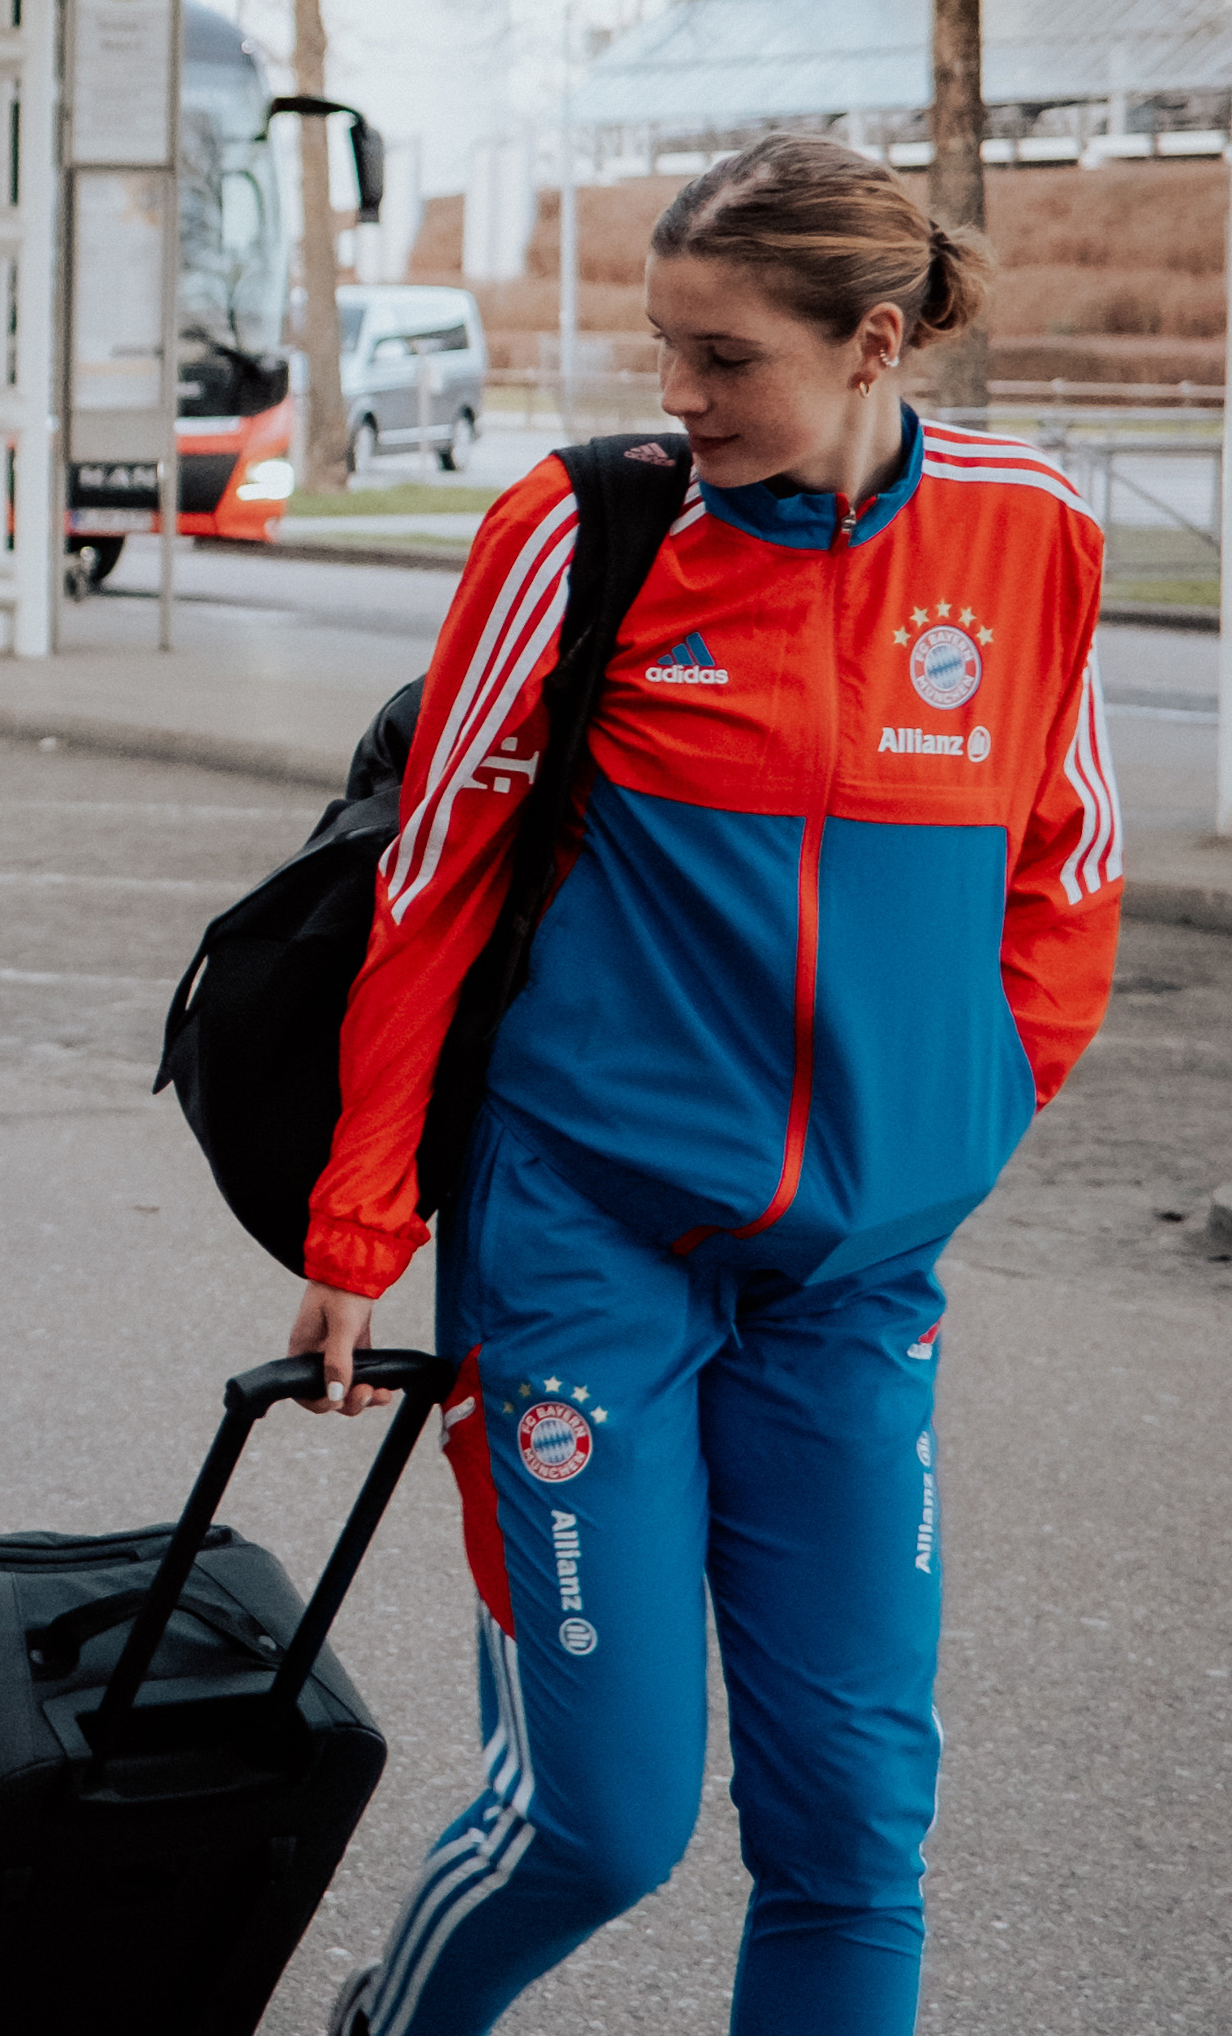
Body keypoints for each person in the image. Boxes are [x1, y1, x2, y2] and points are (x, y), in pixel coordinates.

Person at [299, 134, 1117, 2036]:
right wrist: (359, 1217)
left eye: (721, 358)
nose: (675, 395)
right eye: (662, 349)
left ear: (872, 343)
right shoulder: (580, 533)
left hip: (854, 1280)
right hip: (588, 1238)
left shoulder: (1028, 534)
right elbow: (429, 884)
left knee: (848, 1835)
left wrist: (957, 1120)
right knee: (598, 1822)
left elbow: (1063, 868)